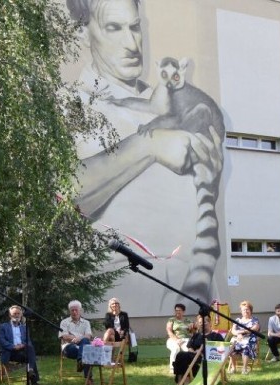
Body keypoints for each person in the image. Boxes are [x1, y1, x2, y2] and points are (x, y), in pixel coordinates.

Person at [66, 0, 226, 305]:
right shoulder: (71, 104)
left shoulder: (162, 100)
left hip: (195, 293)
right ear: (84, 33)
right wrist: (148, 145)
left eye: (135, 27)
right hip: (123, 293)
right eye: (114, 27)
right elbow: (62, 194)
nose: (132, 43)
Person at [172, 313, 225, 384]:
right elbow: (190, 347)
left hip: (207, 359)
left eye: (204, 322)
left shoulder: (216, 336)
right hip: (194, 356)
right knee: (181, 354)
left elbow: (221, 350)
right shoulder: (196, 335)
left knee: (183, 356)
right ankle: (182, 378)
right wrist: (195, 352)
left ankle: (181, 379)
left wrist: (201, 351)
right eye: (200, 323)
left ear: (210, 323)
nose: (202, 324)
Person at [0, 305, 40, 385]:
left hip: (22, 351)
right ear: (10, 315)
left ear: (21, 315)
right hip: (10, 353)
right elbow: (2, 341)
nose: (16, 315)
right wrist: (13, 346)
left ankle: (30, 370)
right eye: (14, 314)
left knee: (30, 348)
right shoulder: (3, 327)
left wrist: (23, 345)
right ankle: (34, 382)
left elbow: (28, 341)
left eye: (18, 314)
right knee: (31, 358)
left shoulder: (24, 328)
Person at [59, 300, 93, 384]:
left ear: (80, 310)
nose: (74, 312)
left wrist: (79, 338)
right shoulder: (64, 322)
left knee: (85, 344)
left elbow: (88, 336)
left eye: (76, 310)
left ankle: (80, 361)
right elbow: (64, 336)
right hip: (69, 348)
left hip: (81, 346)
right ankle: (88, 378)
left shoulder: (86, 323)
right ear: (69, 311)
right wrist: (77, 338)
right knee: (86, 351)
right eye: (72, 310)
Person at [229, 300, 261, 375]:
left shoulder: (254, 320)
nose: (246, 311)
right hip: (238, 339)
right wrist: (238, 334)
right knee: (231, 348)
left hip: (250, 340)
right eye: (244, 309)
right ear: (241, 311)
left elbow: (254, 329)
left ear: (251, 310)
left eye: (247, 309)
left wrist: (241, 332)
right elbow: (233, 331)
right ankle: (233, 368)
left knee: (246, 348)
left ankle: (244, 369)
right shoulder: (238, 320)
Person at [166, 303, 192, 373]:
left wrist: (192, 328)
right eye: (176, 310)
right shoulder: (171, 320)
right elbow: (169, 331)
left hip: (185, 339)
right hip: (173, 339)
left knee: (188, 350)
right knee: (175, 349)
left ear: (183, 311)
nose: (177, 312)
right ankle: (172, 368)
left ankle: (188, 367)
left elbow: (192, 332)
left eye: (179, 310)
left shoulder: (188, 321)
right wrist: (177, 340)